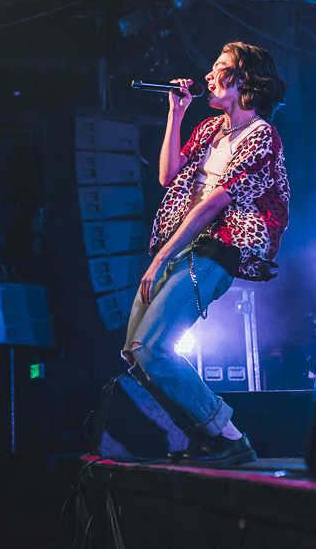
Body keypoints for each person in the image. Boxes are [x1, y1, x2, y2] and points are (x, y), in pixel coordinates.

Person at [122, 42, 289, 467]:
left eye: (219, 69)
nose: (208, 76)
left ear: (243, 80)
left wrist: (160, 259)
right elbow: (167, 176)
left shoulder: (261, 135)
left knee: (153, 347)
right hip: (181, 244)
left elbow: (215, 202)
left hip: (219, 246)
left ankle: (228, 437)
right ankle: (206, 436)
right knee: (136, 354)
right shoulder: (212, 129)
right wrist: (175, 114)